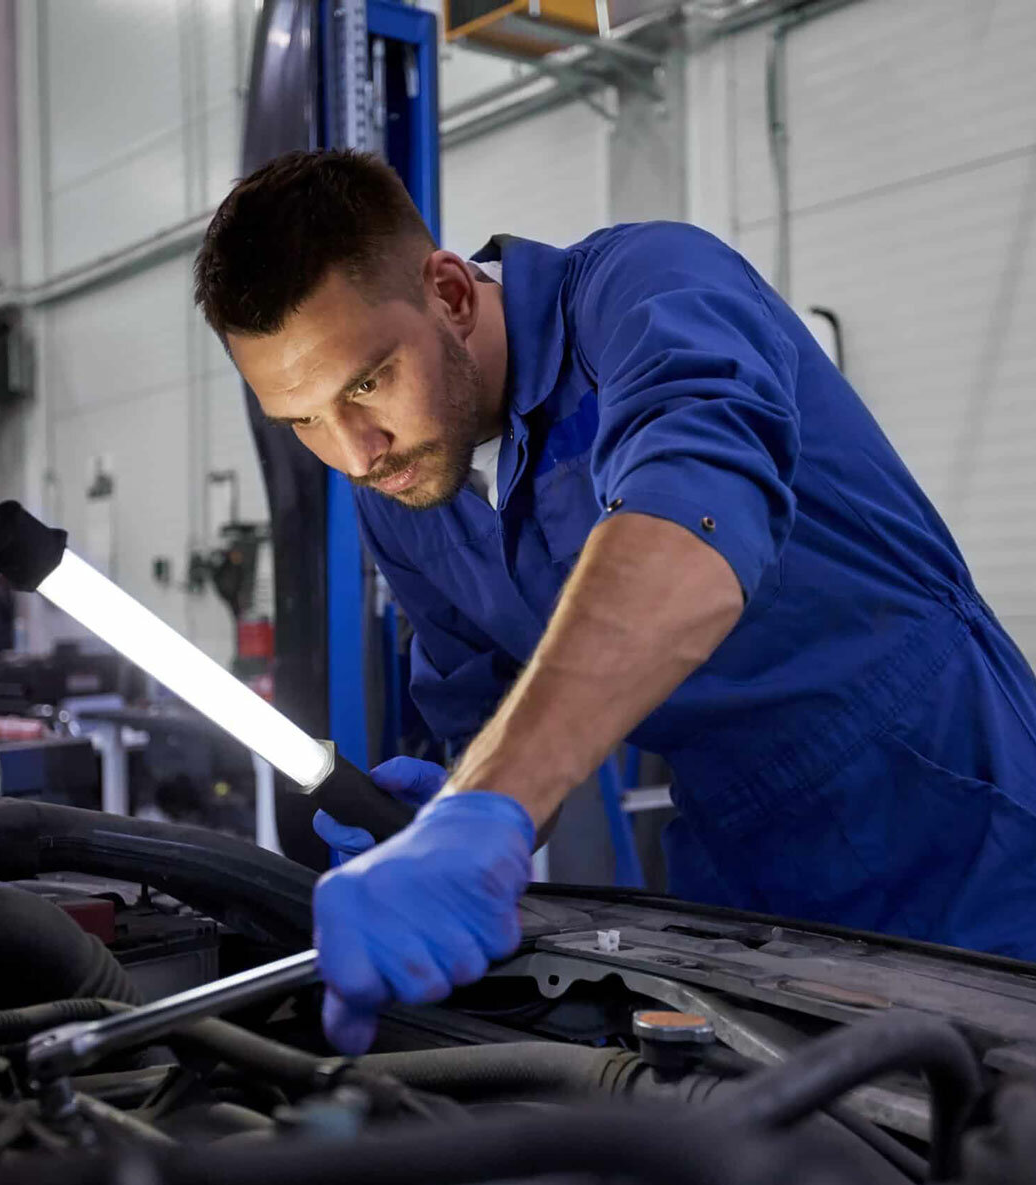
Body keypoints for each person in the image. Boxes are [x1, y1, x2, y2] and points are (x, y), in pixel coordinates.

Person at [194, 150, 1036, 1053]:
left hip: (949, 804)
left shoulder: (648, 290)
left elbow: (692, 523)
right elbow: (497, 712)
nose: (356, 451)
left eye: (365, 382)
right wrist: (444, 813)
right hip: (736, 859)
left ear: (449, 291)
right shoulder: (402, 500)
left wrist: (491, 803)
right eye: (304, 421)